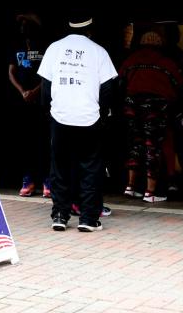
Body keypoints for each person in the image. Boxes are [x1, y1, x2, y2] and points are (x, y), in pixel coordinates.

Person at [38, 14, 117, 233]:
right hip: (89, 118)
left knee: (60, 167)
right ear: (90, 29)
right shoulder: (99, 51)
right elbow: (108, 88)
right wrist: (102, 115)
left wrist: (49, 112)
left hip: (60, 117)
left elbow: (45, 87)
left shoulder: (54, 49)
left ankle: (60, 216)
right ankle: (88, 219)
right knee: (90, 168)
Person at [119, 30, 182, 203]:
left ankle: (130, 187)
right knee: (152, 146)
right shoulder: (166, 62)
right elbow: (178, 86)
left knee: (135, 144)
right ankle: (150, 191)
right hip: (155, 107)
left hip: (131, 105)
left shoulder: (130, 60)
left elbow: (120, 81)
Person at [10, 13, 50, 198]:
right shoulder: (17, 46)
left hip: (41, 102)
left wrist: (34, 91)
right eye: (21, 24)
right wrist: (22, 91)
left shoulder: (44, 46)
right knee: (25, 142)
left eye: (26, 24)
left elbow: (48, 74)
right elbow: (11, 72)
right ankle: (28, 180)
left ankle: (47, 180)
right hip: (23, 102)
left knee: (43, 141)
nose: (22, 27)